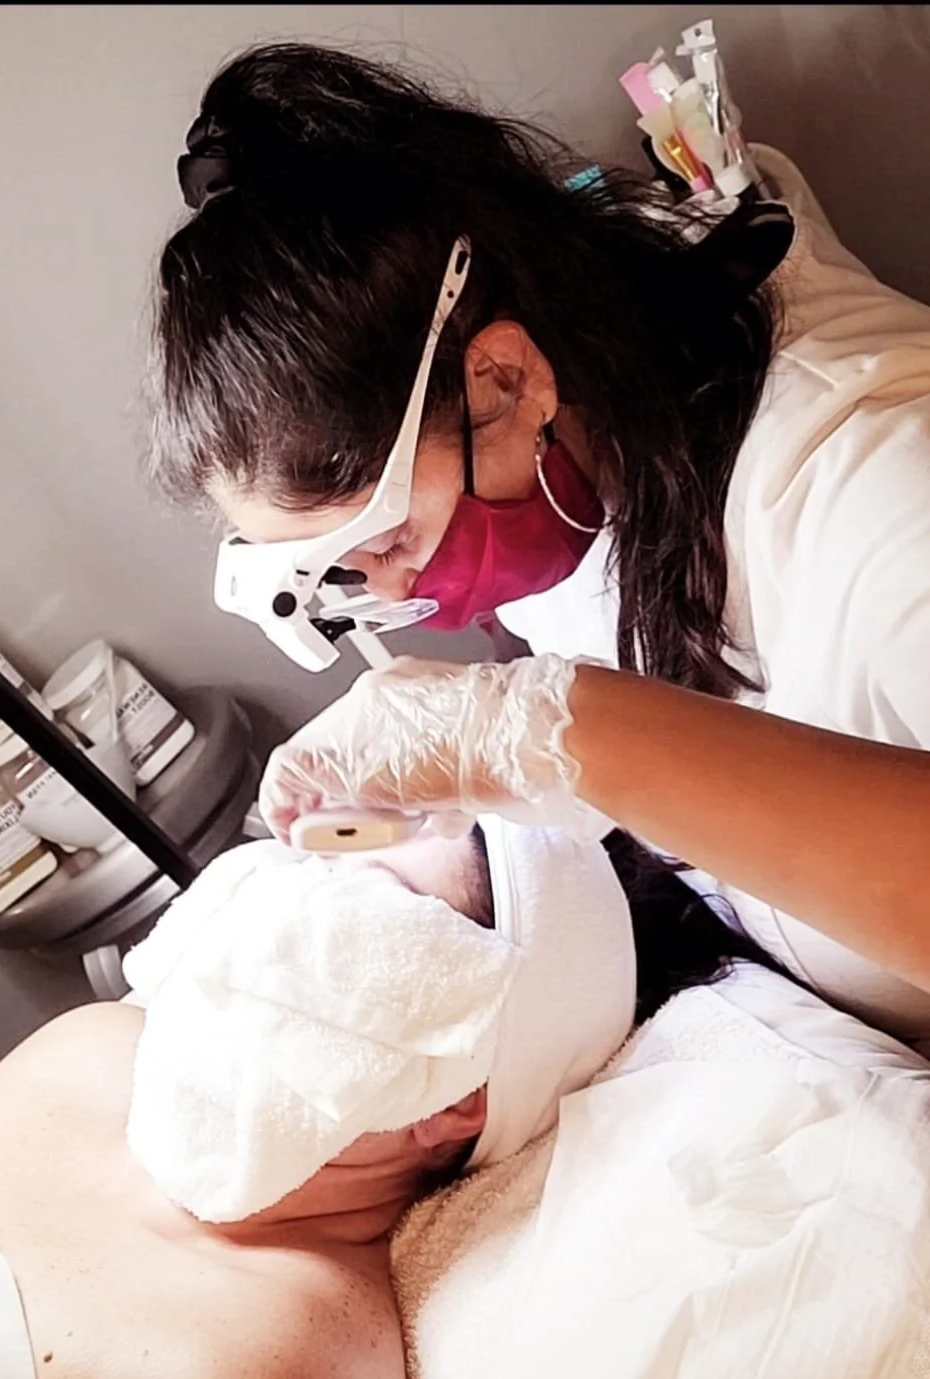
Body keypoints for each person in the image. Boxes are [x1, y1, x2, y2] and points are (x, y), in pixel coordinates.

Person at [144, 43, 930, 1049]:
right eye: (339, 572)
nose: (401, 591)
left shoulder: (876, 493)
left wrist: (555, 723)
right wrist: (471, 833)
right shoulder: (562, 487)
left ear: (507, 381)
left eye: (386, 534)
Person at [0, 816, 791, 1379]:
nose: (293, 881)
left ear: (457, 1095)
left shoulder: (292, 1346)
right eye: (325, 857)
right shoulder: (99, 1047)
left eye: (372, 884)